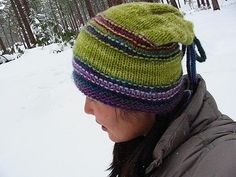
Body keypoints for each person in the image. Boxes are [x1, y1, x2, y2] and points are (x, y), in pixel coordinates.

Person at [72, 2, 236, 177]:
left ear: (139, 99)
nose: (86, 109)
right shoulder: (143, 143)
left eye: (94, 97)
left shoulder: (221, 160)